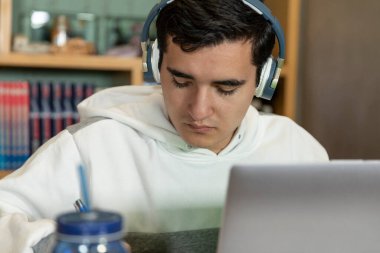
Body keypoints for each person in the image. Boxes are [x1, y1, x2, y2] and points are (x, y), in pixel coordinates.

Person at [0, 0, 329, 252]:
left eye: (226, 88)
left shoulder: (296, 150)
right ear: (155, 66)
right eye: (181, 81)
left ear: (264, 80)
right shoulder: (90, 147)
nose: (199, 110)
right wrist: (50, 243)